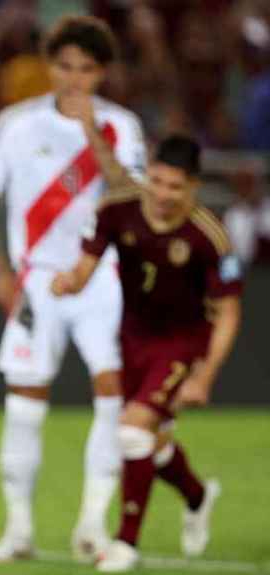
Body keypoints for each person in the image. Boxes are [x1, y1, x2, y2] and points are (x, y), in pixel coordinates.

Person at [0, 15, 148, 563]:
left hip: (103, 277)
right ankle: (18, 530)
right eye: (64, 66)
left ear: (102, 72)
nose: (73, 79)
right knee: (25, 399)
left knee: (112, 394)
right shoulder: (15, 124)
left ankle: (92, 524)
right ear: (50, 66)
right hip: (37, 280)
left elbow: (132, 198)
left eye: (86, 69)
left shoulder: (121, 126)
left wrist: (93, 135)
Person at [52, 135, 241, 572]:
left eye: (175, 186)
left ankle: (125, 543)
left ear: (193, 186)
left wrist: (204, 375)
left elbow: (229, 313)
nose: (162, 194)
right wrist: (70, 282)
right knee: (152, 445)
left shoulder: (209, 236)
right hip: (133, 339)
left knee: (132, 432)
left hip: (183, 343)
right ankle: (198, 496)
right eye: (156, 181)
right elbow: (85, 268)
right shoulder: (117, 210)